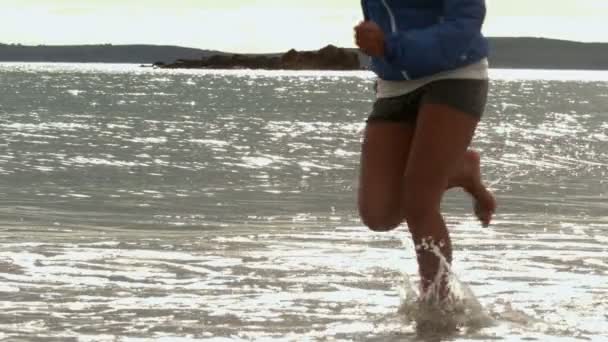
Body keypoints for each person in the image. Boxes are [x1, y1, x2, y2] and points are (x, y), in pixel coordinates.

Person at [355, 0, 497, 301]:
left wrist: (392, 45)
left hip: (454, 75)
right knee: (378, 215)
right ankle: (457, 168)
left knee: (420, 202)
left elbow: (465, 22)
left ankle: (436, 312)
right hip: (393, 82)